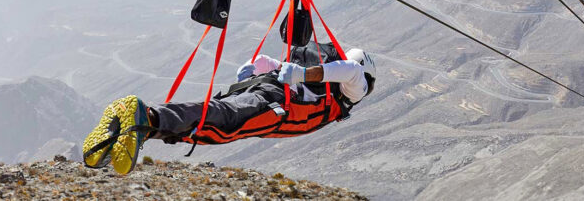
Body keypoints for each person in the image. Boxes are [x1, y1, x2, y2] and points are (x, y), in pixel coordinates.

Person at [82, 42, 376, 175]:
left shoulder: (325, 81)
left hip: (271, 93)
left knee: (217, 117)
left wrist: (264, 67)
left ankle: (125, 131)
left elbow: (272, 65)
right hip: (277, 106)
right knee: (221, 125)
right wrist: (299, 75)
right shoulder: (353, 86)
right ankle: (144, 117)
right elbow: (351, 71)